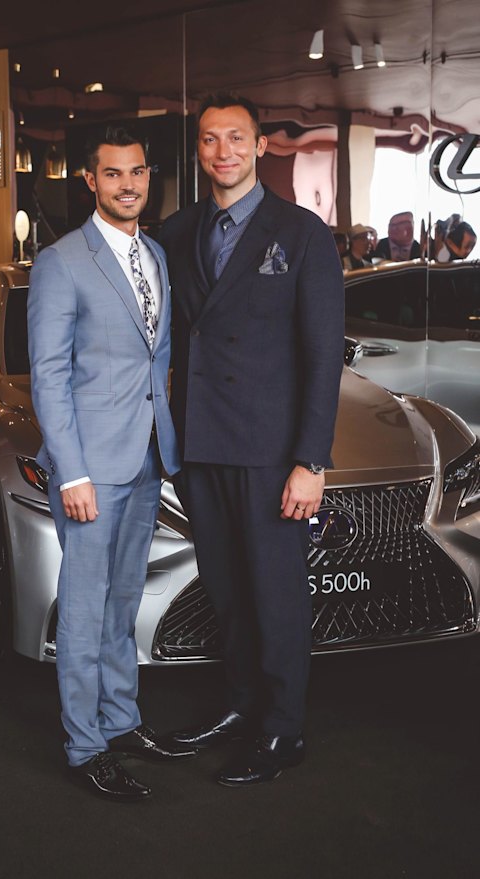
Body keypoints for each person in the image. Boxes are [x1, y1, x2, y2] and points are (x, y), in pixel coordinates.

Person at [160, 94, 344, 786]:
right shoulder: (179, 231)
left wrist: (311, 459)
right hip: (201, 445)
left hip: (270, 451)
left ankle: (284, 729)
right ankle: (241, 706)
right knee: (228, 592)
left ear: (260, 145)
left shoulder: (300, 232)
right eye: (210, 140)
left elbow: (324, 353)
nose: (224, 151)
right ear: (200, 150)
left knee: (276, 593)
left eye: (236, 138)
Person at [28, 126, 194, 803]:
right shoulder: (62, 262)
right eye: (113, 174)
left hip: (149, 454)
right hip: (90, 467)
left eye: (138, 173)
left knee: (124, 603)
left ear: (148, 177)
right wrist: (71, 472)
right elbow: (48, 374)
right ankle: (84, 744)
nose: (128, 184)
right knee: (85, 610)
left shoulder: (154, 253)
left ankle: (122, 720)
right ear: (90, 181)